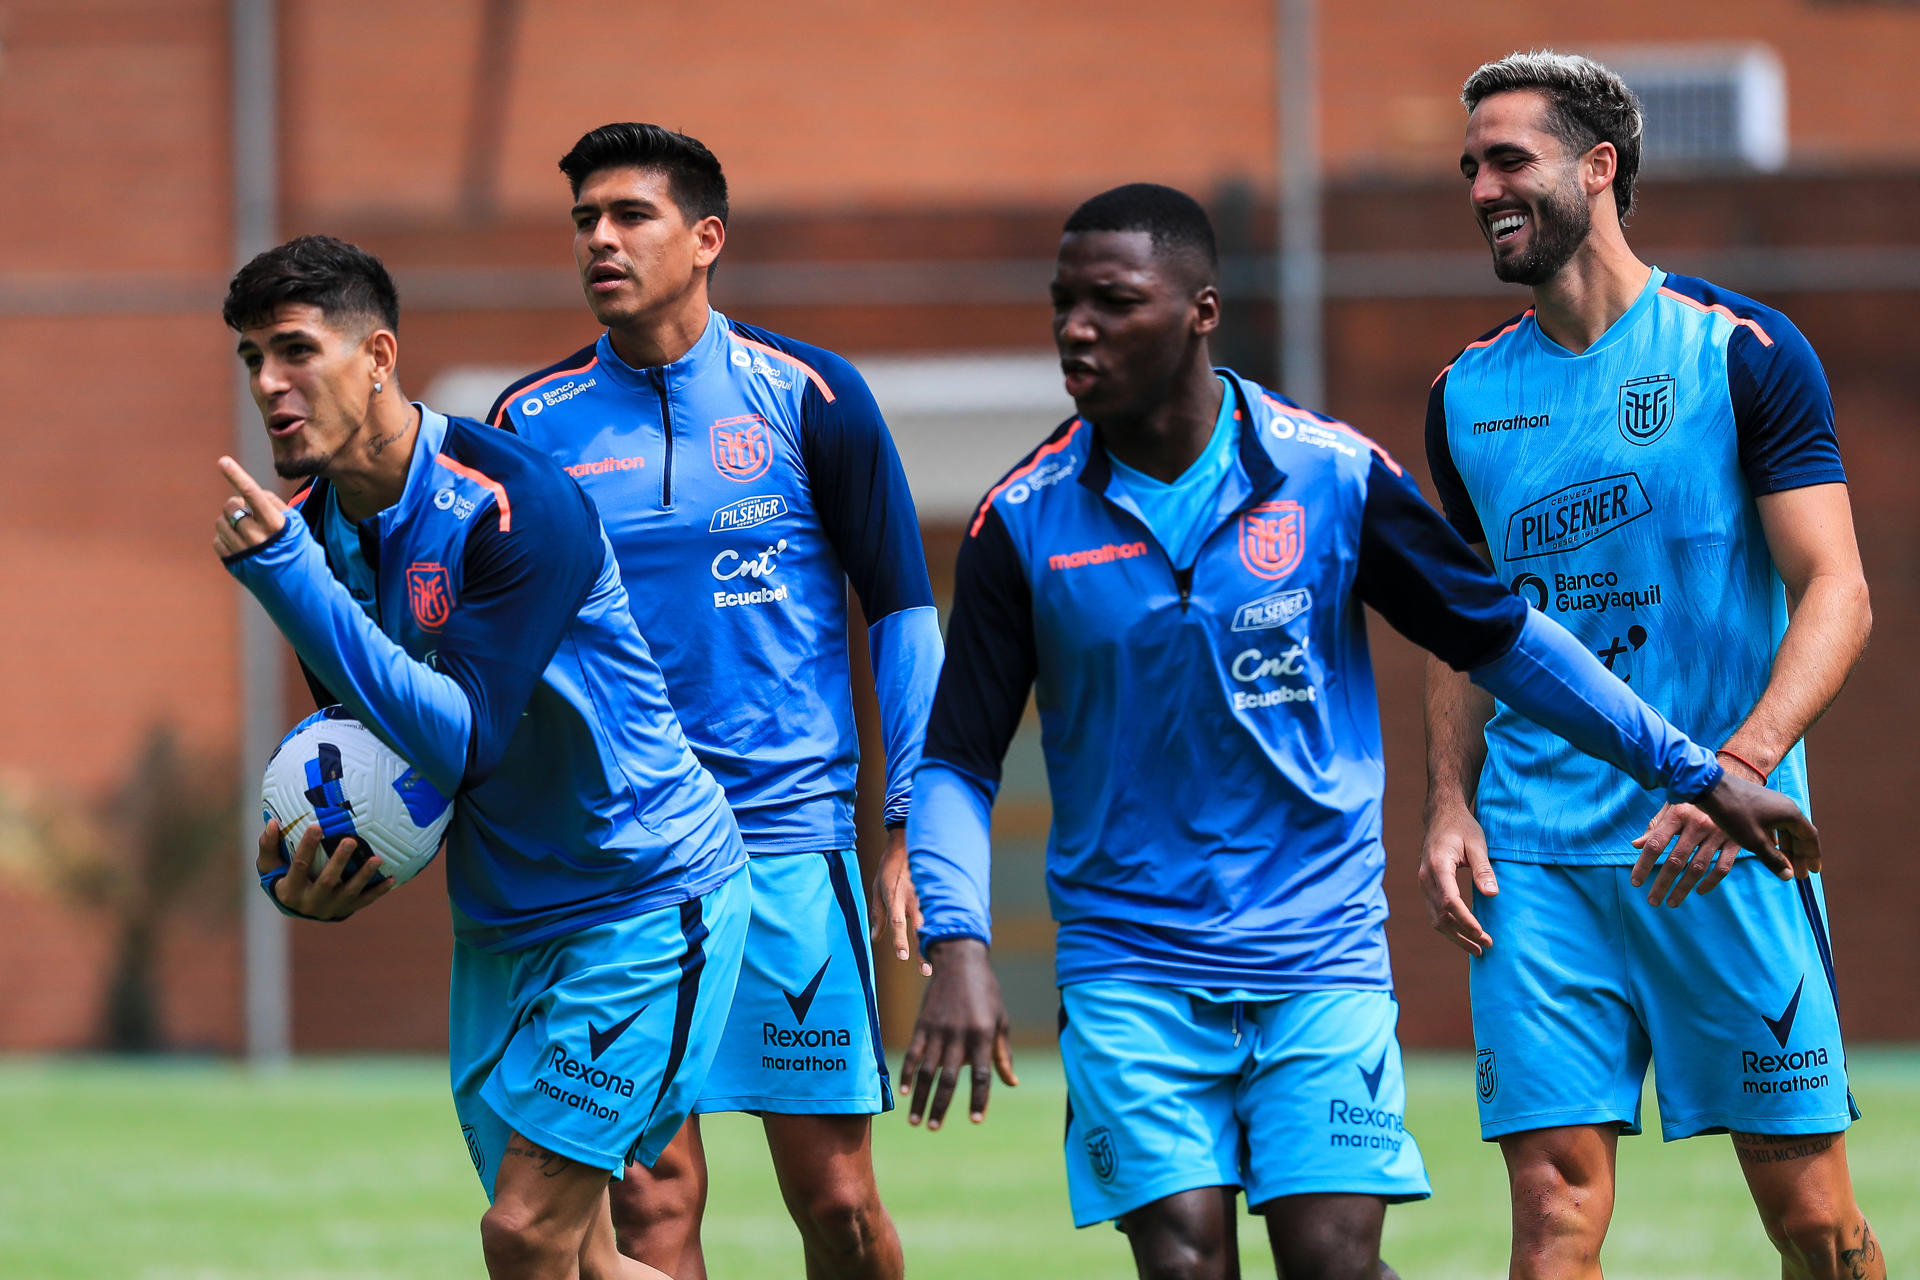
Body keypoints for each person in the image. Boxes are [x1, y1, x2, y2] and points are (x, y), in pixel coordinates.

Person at [898, 183, 1820, 1280]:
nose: (1076, 329)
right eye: (1063, 304)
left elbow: (1506, 640)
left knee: (1333, 1259)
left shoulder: (1332, 476)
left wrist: (1696, 768)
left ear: (1200, 309)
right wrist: (960, 942)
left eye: (1112, 301)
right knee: (1186, 1260)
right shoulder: (1024, 519)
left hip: (1316, 950)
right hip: (1131, 962)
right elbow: (955, 760)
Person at [1419, 51, 1882, 1280]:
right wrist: (1450, 801)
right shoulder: (1464, 393)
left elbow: (1836, 588)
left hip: (1720, 837)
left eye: (1508, 158)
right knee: (1554, 1212)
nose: (1481, 187)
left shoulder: (1742, 351)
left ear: (1598, 166)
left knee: (1817, 1225)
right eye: (1470, 166)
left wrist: (1740, 763)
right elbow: (1465, 625)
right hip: (1535, 857)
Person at [214, 234, 751, 1280]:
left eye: (293, 350)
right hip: (503, 927)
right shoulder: (317, 537)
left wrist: (286, 576)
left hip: (640, 896)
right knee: (582, 1257)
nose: (270, 384)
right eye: (250, 360)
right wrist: (311, 871)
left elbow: (461, 736)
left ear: (377, 355)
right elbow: (379, 758)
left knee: (524, 1234)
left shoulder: (514, 501)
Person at [486, 123, 940, 1280]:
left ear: (706, 238)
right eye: (584, 219)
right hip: (628, 863)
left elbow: (900, 613)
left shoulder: (813, 394)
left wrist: (911, 831)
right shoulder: (527, 428)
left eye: (629, 215)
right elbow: (498, 640)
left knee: (837, 1203)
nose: (600, 238)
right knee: (651, 1211)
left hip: (791, 848)